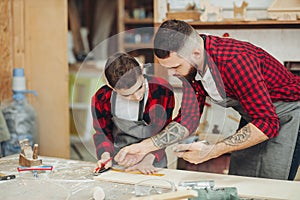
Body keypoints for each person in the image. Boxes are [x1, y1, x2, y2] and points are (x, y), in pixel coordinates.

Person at [114, 19, 300, 180]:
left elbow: (268, 122)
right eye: (168, 68)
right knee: (243, 181)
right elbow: (187, 119)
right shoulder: (192, 69)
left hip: (289, 115)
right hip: (256, 117)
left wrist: (213, 150)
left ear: (195, 53)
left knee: (270, 186)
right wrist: (143, 147)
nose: (172, 74)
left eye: (176, 66)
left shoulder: (235, 61)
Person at [91, 52, 175, 174]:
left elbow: (164, 133)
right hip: (119, 163)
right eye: (127, 95)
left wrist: (147, 160)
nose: (137, 97)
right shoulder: (102, 98)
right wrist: (105, 157)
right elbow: (102, 134)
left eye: (140, 87)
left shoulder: (162, 90)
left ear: (141, 70)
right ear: (111, 87)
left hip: (151, 164)